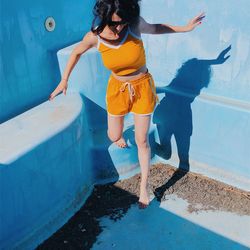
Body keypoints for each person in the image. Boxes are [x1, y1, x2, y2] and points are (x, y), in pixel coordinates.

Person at [49, 0, 205, 209]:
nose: (120, 27)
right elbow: (77, 52)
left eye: (124, 22)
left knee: (142, 141)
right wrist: (64, 79)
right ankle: (122, 135)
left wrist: (185, 28)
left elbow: (157, 28)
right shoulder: (95, 37)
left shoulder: (134, 26)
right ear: (104, 17)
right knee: (113, 136)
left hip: (141, 88)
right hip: (117, 90)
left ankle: (144, 187)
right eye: (115, 24)